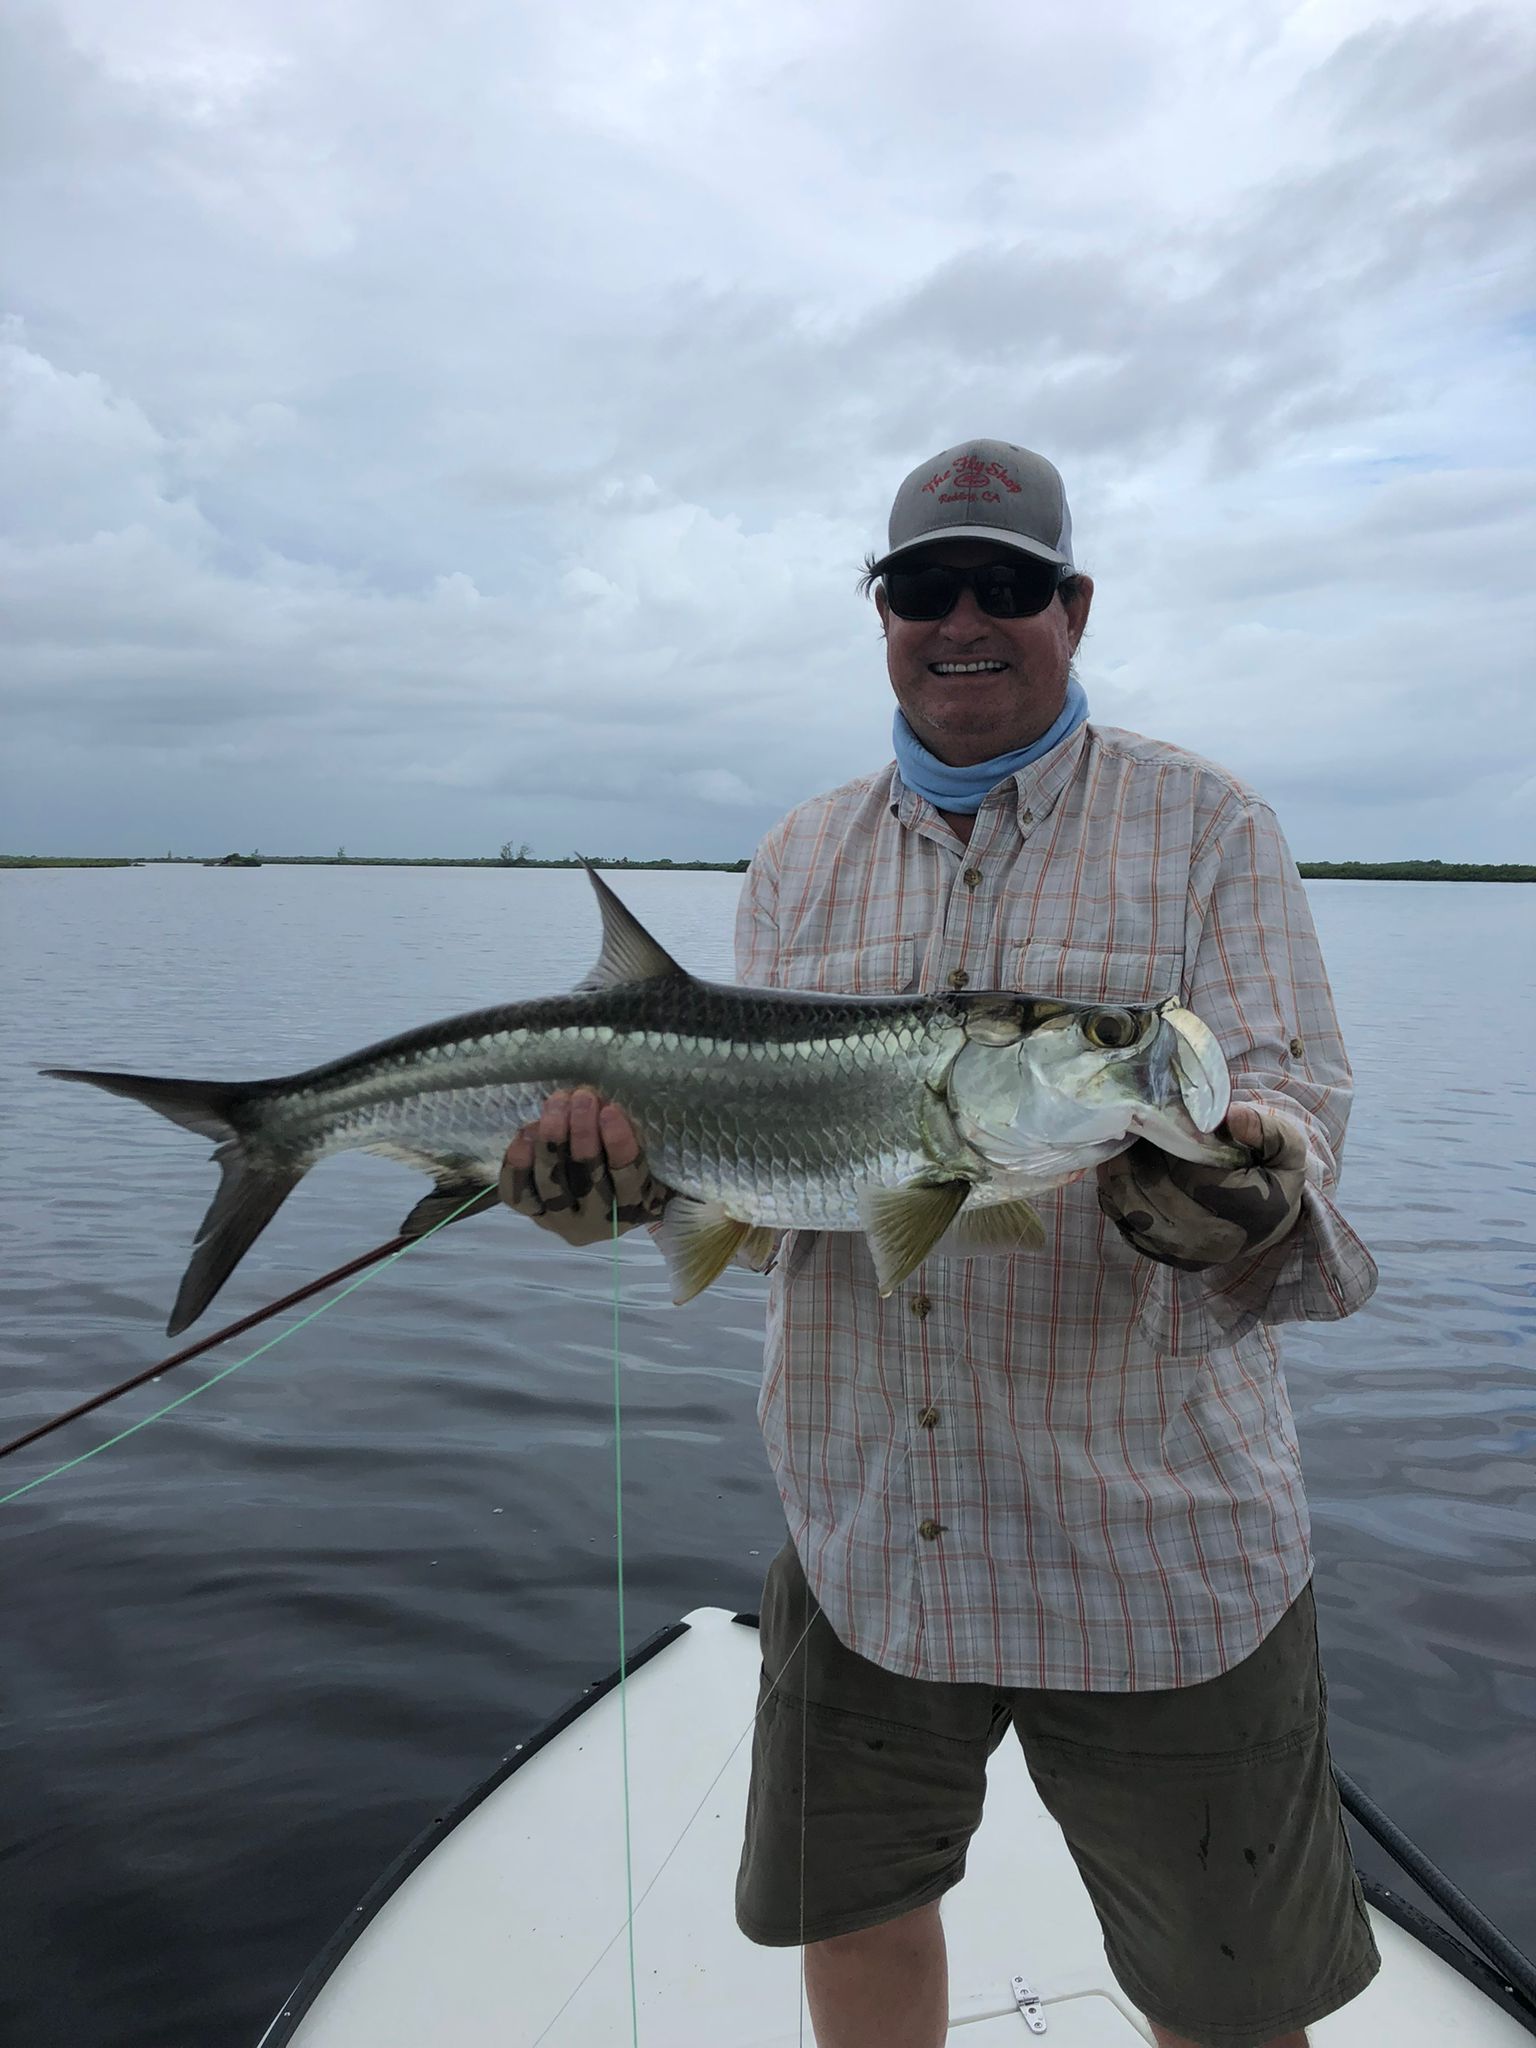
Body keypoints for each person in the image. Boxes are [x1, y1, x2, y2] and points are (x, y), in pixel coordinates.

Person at [500, 440, 1382, 2048]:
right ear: (884, 614)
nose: (962, 619)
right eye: (923, 587)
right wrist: (638, 1193)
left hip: (1154, 1543)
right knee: (853, 1910)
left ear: (1075, 605)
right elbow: (771, 1215)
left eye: (1007, 585)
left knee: (1231, 1994)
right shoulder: (799, 854)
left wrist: (1255, 1182)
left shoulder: (1208, 827)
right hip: (863, 1523)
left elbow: (1289, 1097)